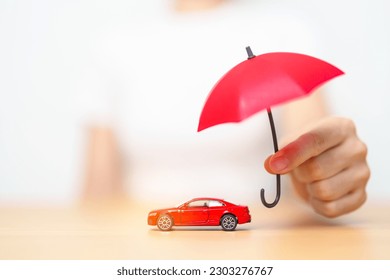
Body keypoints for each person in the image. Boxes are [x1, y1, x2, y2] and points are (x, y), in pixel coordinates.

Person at [82, 0, 369, 218]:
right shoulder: (114, 46)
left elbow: (311, 143)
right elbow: (98, 196)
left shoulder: (284, 32)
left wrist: (329, 171)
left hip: (258, 238)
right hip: (143, 238)